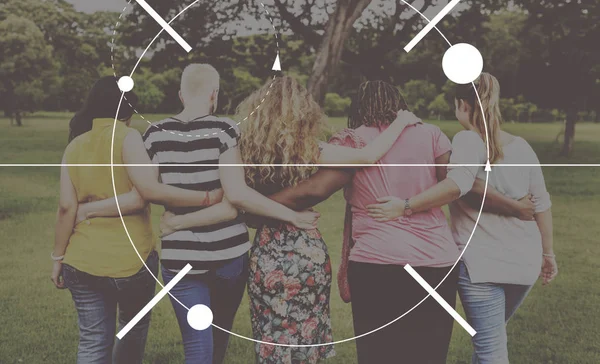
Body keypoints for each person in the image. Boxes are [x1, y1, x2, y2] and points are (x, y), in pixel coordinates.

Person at [77, 66, 319, 364]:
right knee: (217, 341)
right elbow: (238, 196)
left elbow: (148, 191)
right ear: (214, 95)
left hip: (181, 259)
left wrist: (88, 208)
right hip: (229, 254)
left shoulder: (154, 134)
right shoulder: (225, 130)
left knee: (197, 346)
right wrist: (292, 216)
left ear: (181, 94)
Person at [170, 76, 420, 363]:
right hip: (306, 251)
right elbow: (367, 156)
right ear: (304, 111)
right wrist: (400, 122)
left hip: (267, 254)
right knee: (307, 338)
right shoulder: (309, 149)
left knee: (271, 338)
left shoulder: (244, 149)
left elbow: (237, 197)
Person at [366, 73, 558, 363]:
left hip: (482, 267)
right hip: (524, 264)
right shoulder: (523, 147)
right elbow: (542, 204)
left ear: (461, 105)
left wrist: (405, 205)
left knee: (491, 350)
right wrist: (548, 254)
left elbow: (459, 185)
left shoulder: (467, 139)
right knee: (492, 338)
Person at [51, 76, 220, 364]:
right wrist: (206, 198)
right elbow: (142, 196)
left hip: (80, 260)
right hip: (131, 261)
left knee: (92, 341)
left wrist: (58, 257)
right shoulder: (129, 138)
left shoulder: (75, 146)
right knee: (131, 331)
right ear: (128, 109)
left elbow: (67, 207)